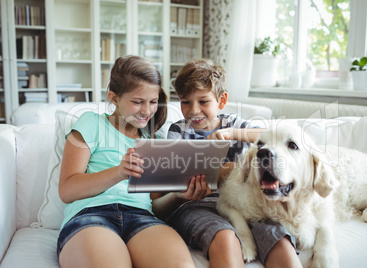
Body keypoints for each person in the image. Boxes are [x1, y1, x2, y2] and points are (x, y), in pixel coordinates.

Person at [57, 55, 204, 268]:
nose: (146, 110)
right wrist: (118, 172)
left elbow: (154, 204)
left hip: (142, 218)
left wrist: (178, 196)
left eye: (153, 102)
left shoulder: (153, 141)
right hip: (92, 215)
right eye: (137, 102)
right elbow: (67, 190)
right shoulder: (91, 123)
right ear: (114, 98)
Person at [154, 58, 302, 268]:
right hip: (198, 205)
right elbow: (175, 178)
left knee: (279, 240)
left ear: (221, 101)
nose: (194, 110)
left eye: (203, 101)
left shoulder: (233, 124)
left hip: (244, 204)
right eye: (186, 101)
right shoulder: (179, 130)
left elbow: (268, 135)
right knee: (224, 236)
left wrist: (234, 133)